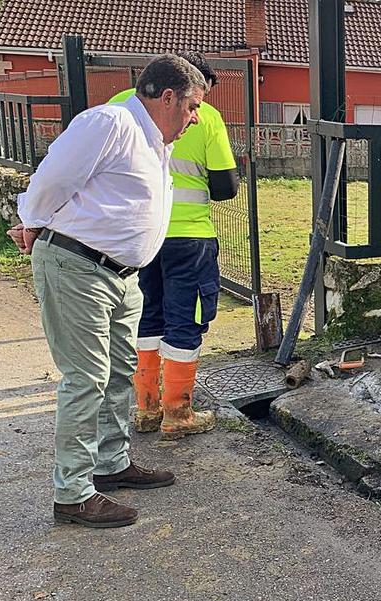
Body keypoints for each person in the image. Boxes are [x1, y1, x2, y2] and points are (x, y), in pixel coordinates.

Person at [7, 55, 207, 528]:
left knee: (120, 374)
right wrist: (34, 223)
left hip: (121, 275)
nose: (195, 117)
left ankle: (111, 464)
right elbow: (52, 179)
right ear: (168, 97)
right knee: (86, 379)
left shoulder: (152, 140)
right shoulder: (111, 123)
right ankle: (73, 493)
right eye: (193, 106)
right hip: (80, 267)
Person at [108, 53, 238, 438]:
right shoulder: (208, 119)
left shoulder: (118, 106)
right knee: (184, 322)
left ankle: (146, 409)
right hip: (189, 238)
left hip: (136, 237)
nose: (200, 105)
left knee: (145, 318)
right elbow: (225, 188)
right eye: (199, 96)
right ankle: (177, 415)